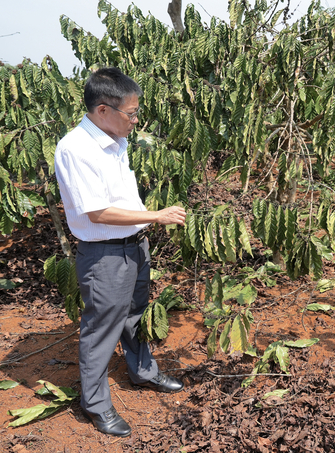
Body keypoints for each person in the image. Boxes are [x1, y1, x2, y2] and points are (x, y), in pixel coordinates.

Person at [54, 67, 187, 437]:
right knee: (101, 328)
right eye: (131, 114)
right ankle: (95, 404)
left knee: (135, 314)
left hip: (134, 246)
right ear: (102, 111)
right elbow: (96, 211)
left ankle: (143, 371)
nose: (136, 120)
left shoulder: (116, 139)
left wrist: (143, 228)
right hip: (104, 255)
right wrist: (156, 215)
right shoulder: (76, 149)